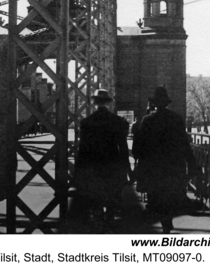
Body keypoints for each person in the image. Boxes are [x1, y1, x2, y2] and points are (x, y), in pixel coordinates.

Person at [132, 86, 198, 233]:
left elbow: (139, 147)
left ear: (155, 103)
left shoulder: (147, 120)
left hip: (153, 168)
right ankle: (167, 221)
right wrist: (192, 163)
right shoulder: (176, 119)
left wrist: (138, 160)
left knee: (155, 197)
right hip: (173, 166)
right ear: (167, 103)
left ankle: (164, 222)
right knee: (170, 195)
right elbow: (184, 144)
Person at [73, 89, 132, 230]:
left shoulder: (86, 123)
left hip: (94, 168)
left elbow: (83, 150)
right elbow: (123, 149)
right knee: (112, 199)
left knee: (96, 200)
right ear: (108, 103)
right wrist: (128, 171)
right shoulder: (117, 121)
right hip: (113, 167)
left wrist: (78, 173)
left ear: (94, 103)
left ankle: (99, 225)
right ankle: (109, 222)